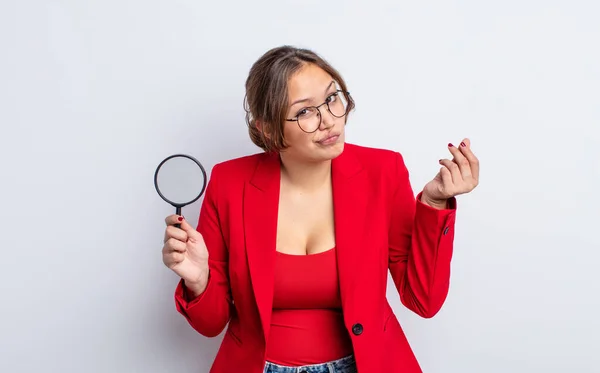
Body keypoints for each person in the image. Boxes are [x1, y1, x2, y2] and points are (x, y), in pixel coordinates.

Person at [161, 45, 479, 373]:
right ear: (267, 129)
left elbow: (423, 300)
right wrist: (199, 280)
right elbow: (211, 323)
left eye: (331, 99)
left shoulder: (382, 171)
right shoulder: (230, 182)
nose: (329, 120)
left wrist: (434, 202)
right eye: (305, 112)